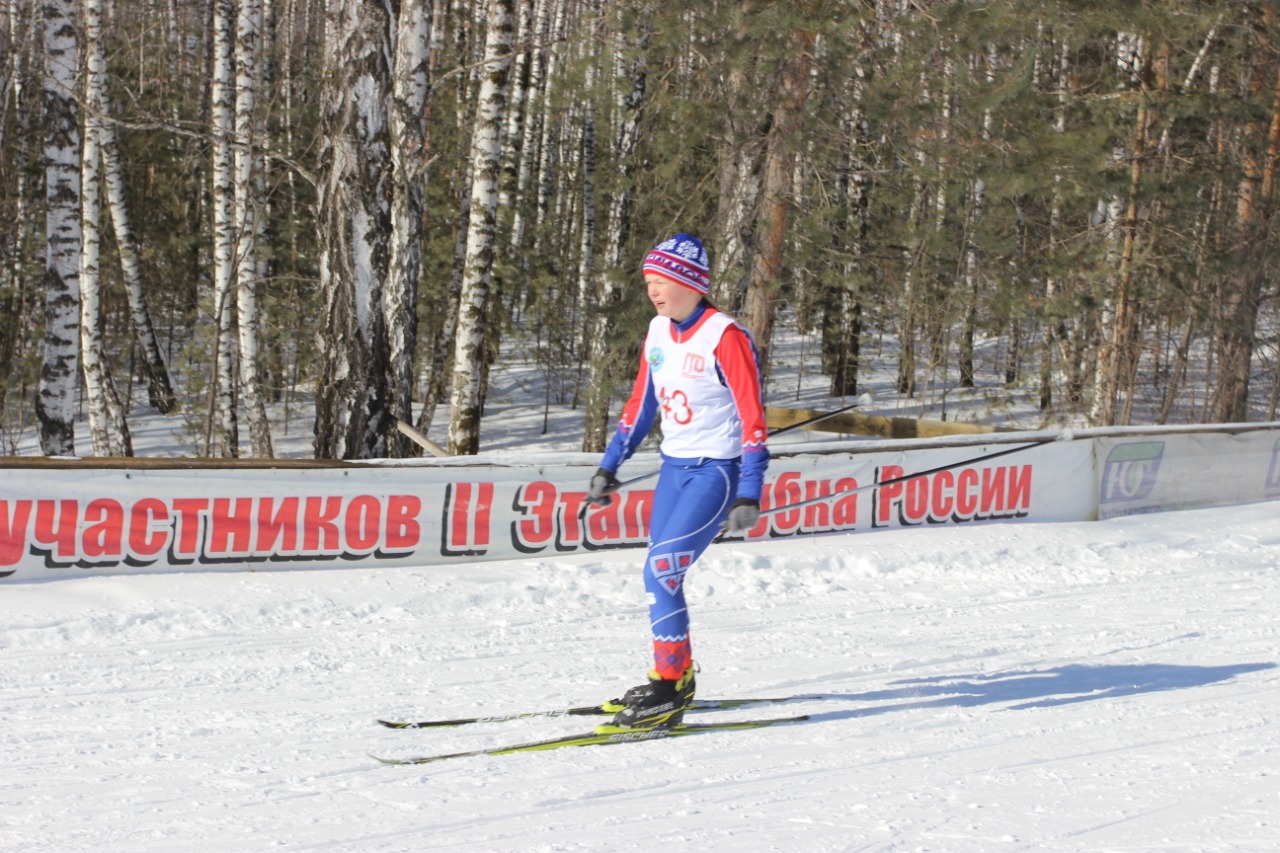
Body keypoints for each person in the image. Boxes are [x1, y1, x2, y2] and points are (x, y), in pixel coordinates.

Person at [588, 232, 770, 729]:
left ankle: (668, 689)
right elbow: (640, 406)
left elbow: (753, 420)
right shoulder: (658, 332)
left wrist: (750, 489)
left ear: (690, 283)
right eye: (648, 281)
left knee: (661, 572)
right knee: (658, 572)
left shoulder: (725, 336)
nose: (652, 290)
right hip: (674, 469)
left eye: (661, 280)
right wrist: (610, 465)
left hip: (716, 472)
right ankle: (674, 675)